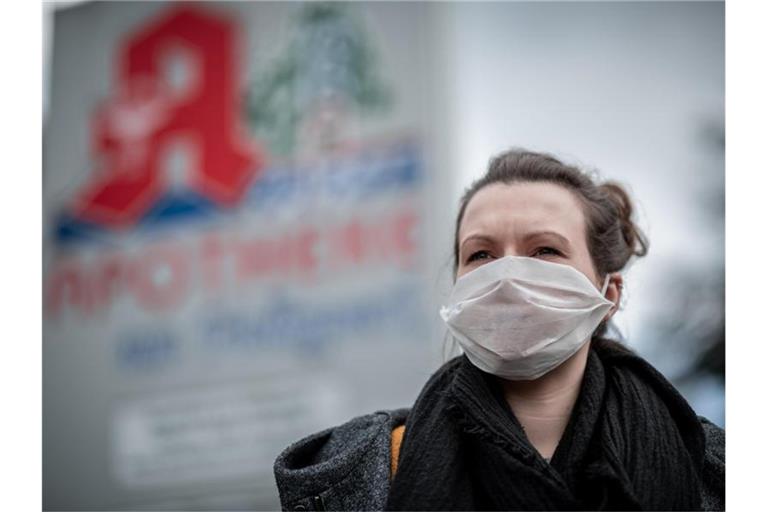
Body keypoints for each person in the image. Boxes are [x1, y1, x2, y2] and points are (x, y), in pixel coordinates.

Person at [273, 149, 725, 511]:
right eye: (481, 255)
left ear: (611, 294)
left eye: (545, 249)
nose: (508, 275)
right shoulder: (371, 465)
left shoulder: (712, 467)